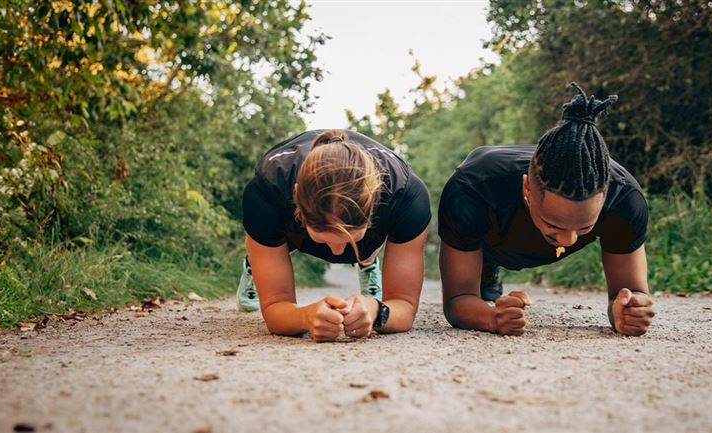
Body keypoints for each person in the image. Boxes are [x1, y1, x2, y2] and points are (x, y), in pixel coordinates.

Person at [437, 85, 655, 336]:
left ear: (605, 195)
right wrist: (491, 318)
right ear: (527, 188)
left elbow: (629, 292)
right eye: (555, 225)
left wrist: (628, 310)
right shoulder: (472, 189)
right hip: (490, 238)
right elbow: (458, 300)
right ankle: (488, 273)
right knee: (484, 296)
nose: (567, 240)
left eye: (584, 227)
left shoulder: (625, 201)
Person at [239, 129, 430, 342]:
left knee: (364, 249)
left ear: (376, 203)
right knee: (268, 242)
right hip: (289, 226)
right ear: (296, 198)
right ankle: (253, 263)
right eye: (323, 238)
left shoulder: (407, 197)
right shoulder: (266, 192)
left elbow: (404, 306)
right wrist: (305, 316)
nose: (338, 253)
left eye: (350, 239)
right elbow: (275, 308)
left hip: (373, 229)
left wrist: (375, 310)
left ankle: (366, 256)